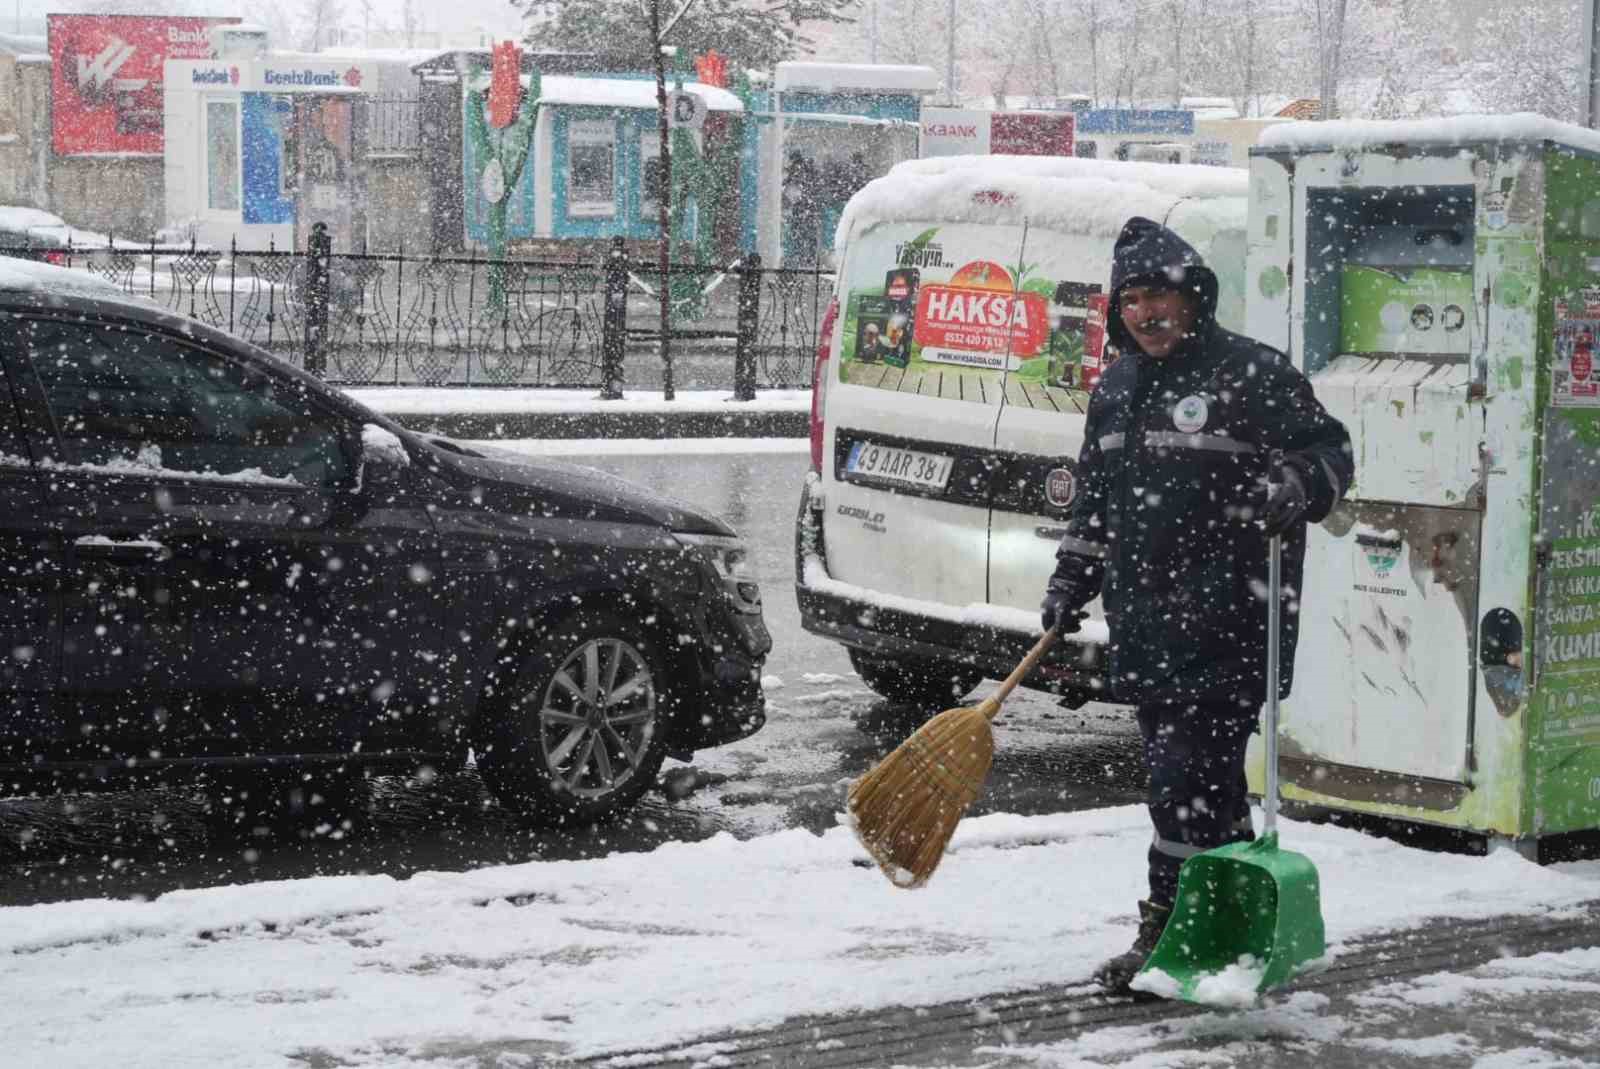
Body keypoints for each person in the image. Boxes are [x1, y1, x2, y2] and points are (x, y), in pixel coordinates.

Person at [1038, 216, 1354, 996]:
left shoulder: (1251, 372)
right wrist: (1068, 584)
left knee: (1184, 782)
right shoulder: (1114, 387)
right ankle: (1231, 925)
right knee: (1193, 786)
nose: (1146, 313)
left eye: (1160, 296)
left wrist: (1299, 484)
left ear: (1194, 297)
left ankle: (1168, 927)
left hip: (1231, 621)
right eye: (1133, 300)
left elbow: (1331, 451)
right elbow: (1096, 506)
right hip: (1145, 625)